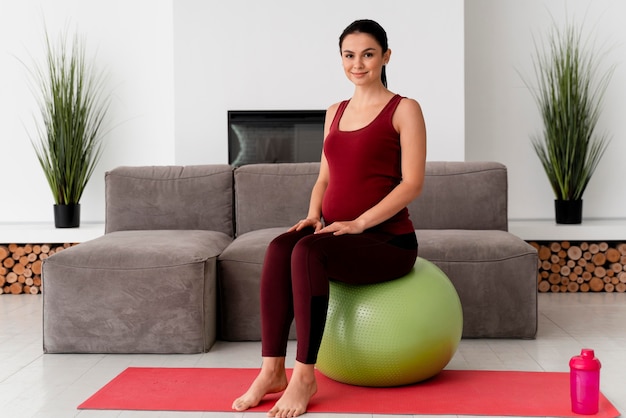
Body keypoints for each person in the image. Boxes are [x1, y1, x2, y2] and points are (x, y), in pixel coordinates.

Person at [232, 18, 427, 418]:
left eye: (368, 54)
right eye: (349, 55)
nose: (358, 64)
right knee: (279, 246)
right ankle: (272, 370)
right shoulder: (334, 112)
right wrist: (312, 215)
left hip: (387, 241)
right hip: (335, 235)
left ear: (386, 57)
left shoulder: (405, 109)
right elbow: (324, 176)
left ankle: (304, 375)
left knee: (305, 253)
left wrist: (359, 223)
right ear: (341, 59)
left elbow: (412, 184)